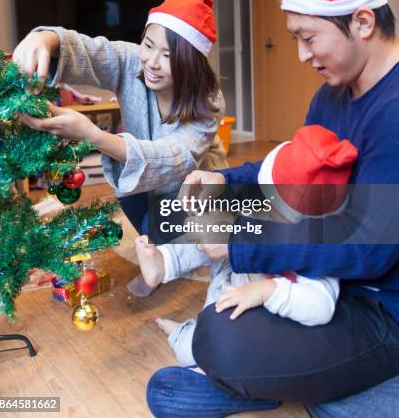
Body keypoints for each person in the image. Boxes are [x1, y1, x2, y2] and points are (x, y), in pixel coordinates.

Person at [146, 0, 399, 416]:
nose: (302, 55)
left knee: (221, 338)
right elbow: (290, 164)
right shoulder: (331, 94)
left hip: (375, 301)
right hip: (319, 248)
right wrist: (226, 181)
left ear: (363, 23)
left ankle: (269, 376)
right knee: (174, 212)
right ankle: (293, 379)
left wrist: (244, 242)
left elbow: (369, 248)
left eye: (308, 38)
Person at [13, 0, 228, 295]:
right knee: (130, 187)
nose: (152, 62)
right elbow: (90, 51)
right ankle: (154, 256)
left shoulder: (209, 100)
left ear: (190, 63)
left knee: (211, 236)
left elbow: (176, 158)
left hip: (195, 183)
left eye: (167, 56)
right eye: (148, 45)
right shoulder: (132, 61)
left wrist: (93, 135)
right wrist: (45, 39)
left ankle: (179, 251)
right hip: (141, 170)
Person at [136, 125, 357, 368]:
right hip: (228, 289)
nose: (264, 208)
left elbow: (320, 307)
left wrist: (267, 291)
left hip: (255, 320)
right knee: (215, 230)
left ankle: (184, 336)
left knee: (193, 349)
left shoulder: (318, 255)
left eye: (274, 208)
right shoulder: (265, 212)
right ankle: (164, 263)